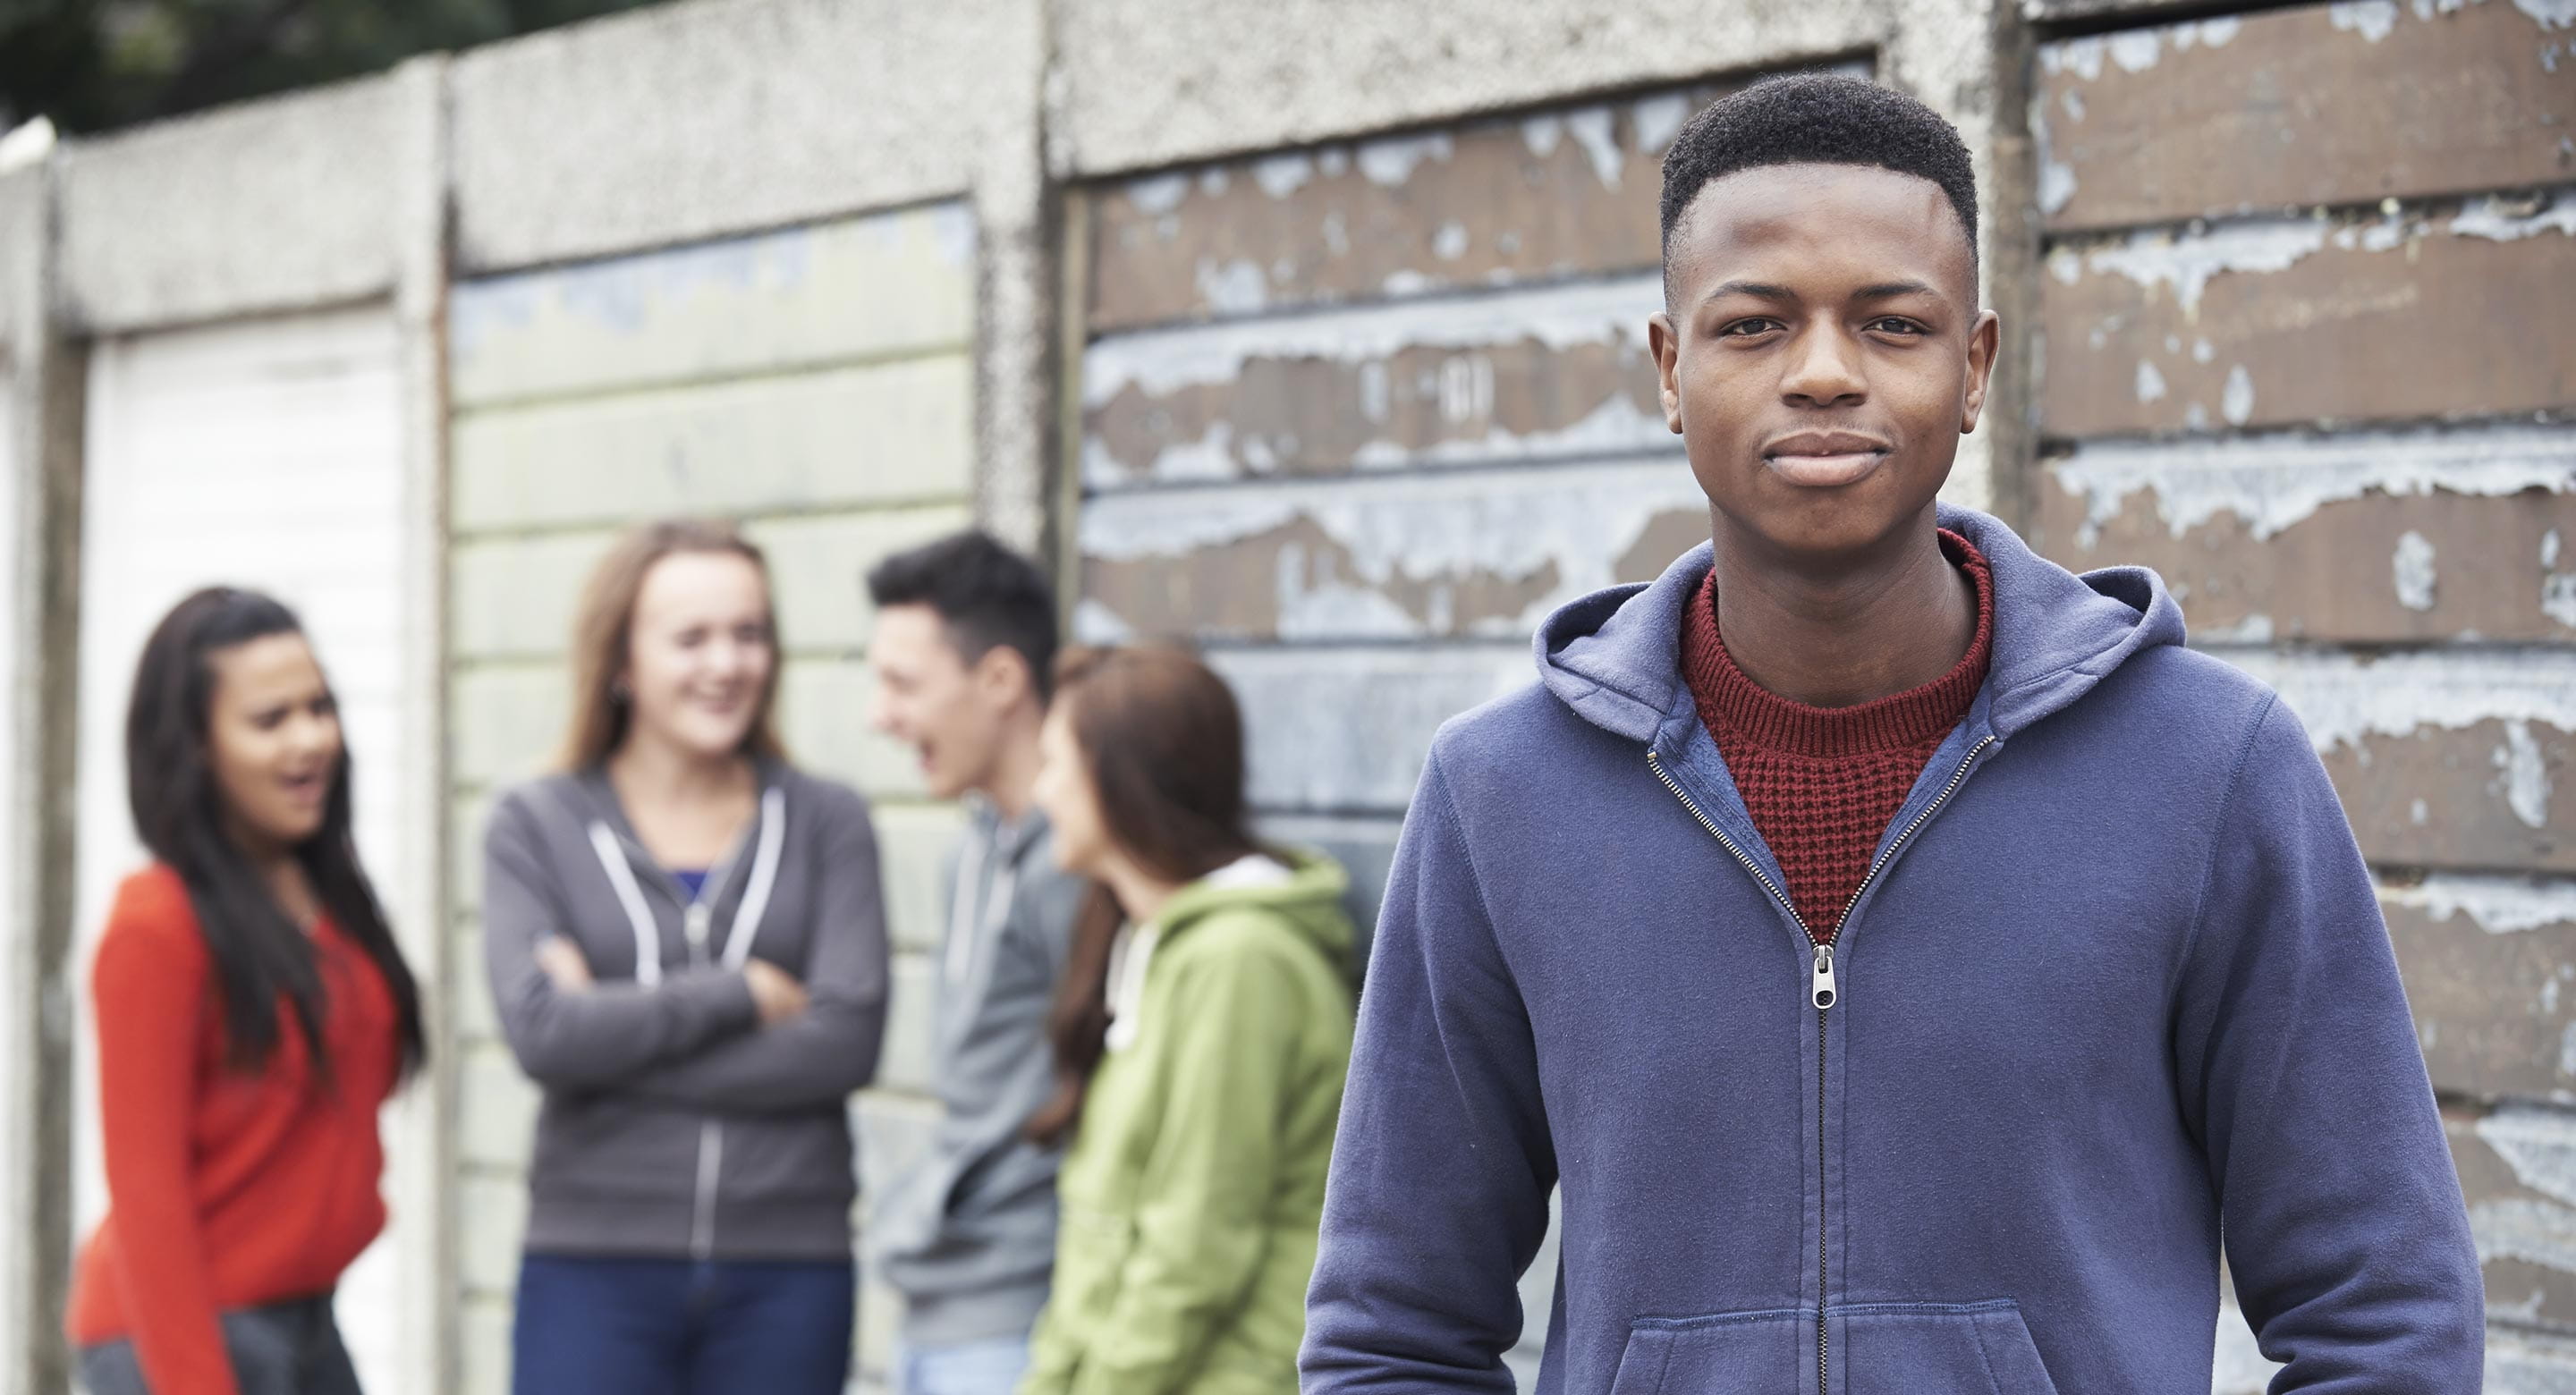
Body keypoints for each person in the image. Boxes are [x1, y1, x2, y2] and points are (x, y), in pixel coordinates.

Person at [1301, 72, 2482, 1393]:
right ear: (1670, 370)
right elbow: (1390, 1332)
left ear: (1973, 368)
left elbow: (2385, 1317)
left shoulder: (2210, 769)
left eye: (1890, 323)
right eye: (1754, 325)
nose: (1822, 373)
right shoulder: (1501, 796)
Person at [482, 519, 890, 1395]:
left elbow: (847, 1042)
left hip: (789, 1271)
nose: (727, 664)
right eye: (692, 638)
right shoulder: (537, 824)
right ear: (622, 662)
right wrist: (739, 994)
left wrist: (608, 1042)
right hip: (592, 1268)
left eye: (749, 634)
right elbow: (543, 1037)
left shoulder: (827, 823)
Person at [67, 588, 428, 1395]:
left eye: (319, 708)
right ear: (196, 746)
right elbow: (146, 1194)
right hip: (182, 1336)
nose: (310, 740)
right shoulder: (157, 925)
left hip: (304, 1320)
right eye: (271, 721)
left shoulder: (322, 894)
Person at [1018, 646, 1355, 1395]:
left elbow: (1197, 1242)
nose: (1041, 795)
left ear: (1116, 777)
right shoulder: (1150, 943)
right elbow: (1105, 1228)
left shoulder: (1239, 960)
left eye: (1053, 764)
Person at [863, 533, 1089, 1395]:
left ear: (999, 681)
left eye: (903, 684)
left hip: (1024, 1317)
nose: (880, 716)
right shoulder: (975, 848)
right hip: (942, 1306)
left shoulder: (1073, 869)